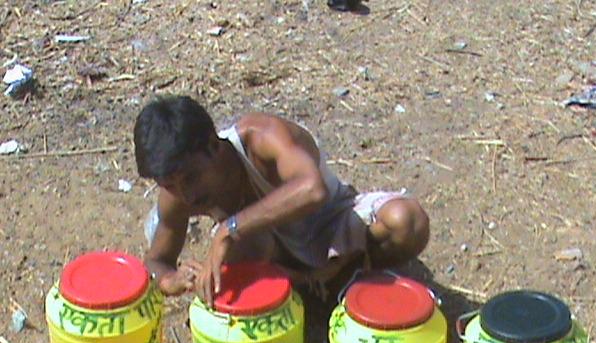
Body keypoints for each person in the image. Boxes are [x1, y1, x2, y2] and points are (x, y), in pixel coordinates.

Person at [134, 95, 429, 306]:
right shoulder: (176, 187)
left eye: (191, 178)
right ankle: (309, 286)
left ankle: (341, 276)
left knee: (407, 221)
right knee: (244, 243)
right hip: (275, 256)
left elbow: (314, 190)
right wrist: (168, 280)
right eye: (170, 185)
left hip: (330, 225)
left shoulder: (262, 138)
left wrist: (229, 228)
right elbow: (156, 261)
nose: (186, 194)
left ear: (213, 147)